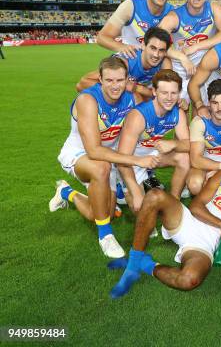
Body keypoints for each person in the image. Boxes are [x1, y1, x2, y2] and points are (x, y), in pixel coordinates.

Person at [109, 140, 221, 299]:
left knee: (188, 280)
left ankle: (145, 264)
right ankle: (132, 264)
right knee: (154, 196)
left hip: (207, 243)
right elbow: (196, 207)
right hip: (189, 222)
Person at [50, 57, 159, 258]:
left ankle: (66, 192)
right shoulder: (88, 100)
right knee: (101, 168)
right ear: (100, 79)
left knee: (99, 214)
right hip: (81, 153)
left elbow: (153, 110)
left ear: (127, 80)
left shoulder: (131, 98)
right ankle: (106, 236)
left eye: (120, 80)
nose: (115, 86)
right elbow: (94, 151)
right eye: (109, 80)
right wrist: (137, 161)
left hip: (108, 156)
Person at [116, 70, 190, 214]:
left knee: (184, 157)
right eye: (164, 93)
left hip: (152, 155)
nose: (169, 98)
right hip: (131, 159)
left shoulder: (177, 113)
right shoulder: (138, 116)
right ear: (154, 92)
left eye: (173, 93)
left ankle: (173, 202)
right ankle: (122, 184)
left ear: (179, 93)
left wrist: (174, 144)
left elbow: (188, 144)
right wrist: (136, 192)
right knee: (139, 207)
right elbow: (122, 159)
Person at [159, 0, 221, 106]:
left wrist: (196, 46)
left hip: (207, 69)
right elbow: (157, 44)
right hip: (182, 70)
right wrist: (182, 57)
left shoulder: (213, 8)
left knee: (207, 109)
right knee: (181, 109)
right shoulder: (174, 16)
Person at [76, 27, 173, 104]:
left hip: (132, 93)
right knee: (134, 97)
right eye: (153, 48)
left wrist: (138, 88)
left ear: (166, 52)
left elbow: (162, 95)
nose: (156, 55)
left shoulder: (165, 64)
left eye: (161, 50)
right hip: (111, 98)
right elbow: (82, 84)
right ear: (143, 45)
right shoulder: (125, 61)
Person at [97, 0, 173, 59]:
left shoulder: (174, 13)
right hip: (130, 62)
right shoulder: (130, 7)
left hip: (158, 64)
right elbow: (102, 37)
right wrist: (122, 47)